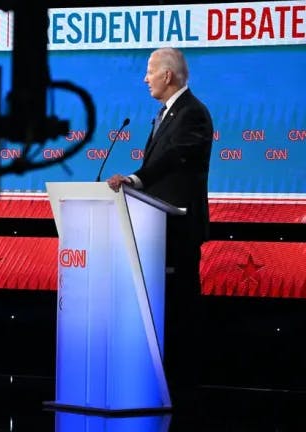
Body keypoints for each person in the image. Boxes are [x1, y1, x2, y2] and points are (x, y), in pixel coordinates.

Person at [106, 47, 213, 397]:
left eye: (150, 71)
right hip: (157, 231)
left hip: (178, 229)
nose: (145, 78)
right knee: (163, 311)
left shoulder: (193, 113)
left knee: (181, 310)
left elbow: (174, 158)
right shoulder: (165, 114)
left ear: (168, 75)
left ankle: (184, 387)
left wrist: (135, 179)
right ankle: (160, 382)